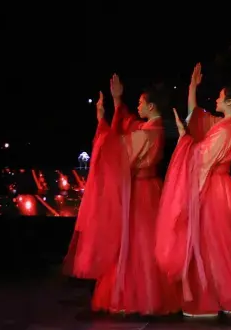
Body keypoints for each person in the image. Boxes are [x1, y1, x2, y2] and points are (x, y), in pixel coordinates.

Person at [154, 64, 231, 317]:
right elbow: (197, 118)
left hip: (216, 190)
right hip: (218, 187)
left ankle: (219, 296)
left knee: (215, 246)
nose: (216, 99)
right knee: (215, 245)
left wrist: (184, 139)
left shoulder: (227, 129)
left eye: (220, 97)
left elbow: (201, 156)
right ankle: (219, 295)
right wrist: (192, 88)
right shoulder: (225, 123)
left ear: (230, 101)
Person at [65, 75, 180, 315]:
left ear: (151, 106)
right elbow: (128, 124)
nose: (137, 106)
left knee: (137, 242)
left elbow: (116, 147)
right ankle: (142, 295)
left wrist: (101, 121)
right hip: (148, 189)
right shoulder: (149, 128)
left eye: (141, 102)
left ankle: (135, 297)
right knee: (141, 242)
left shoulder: (150, 132)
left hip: (141, 193)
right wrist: (117, 100)